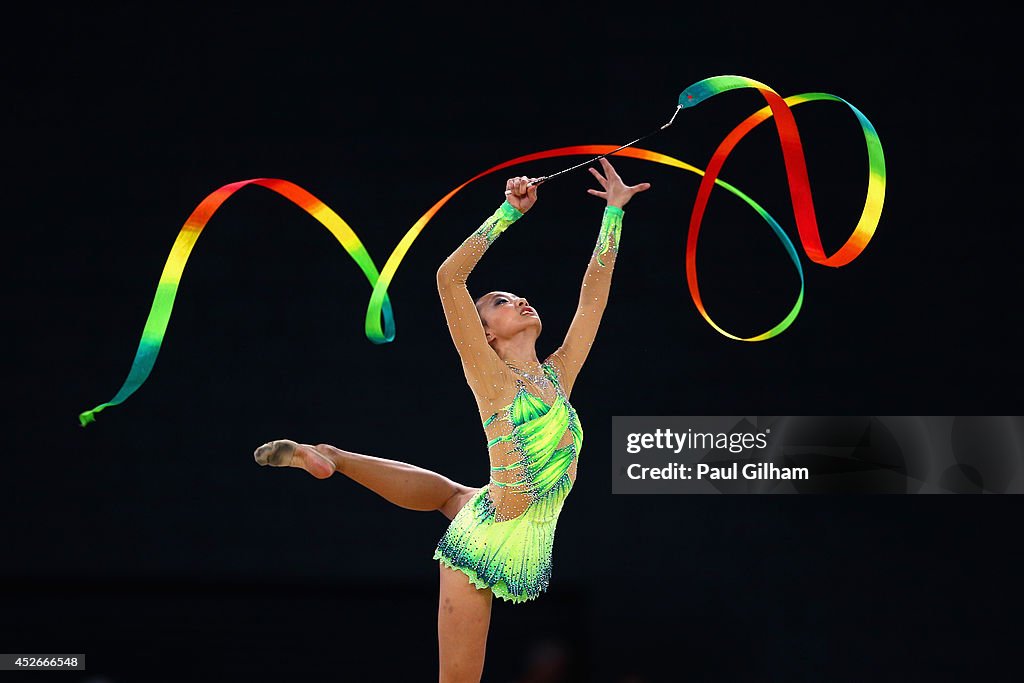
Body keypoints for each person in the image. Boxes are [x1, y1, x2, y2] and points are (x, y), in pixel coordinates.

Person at [253, 157, 650, 683]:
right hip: (487, 543)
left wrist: (614, 216)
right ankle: (332, 457)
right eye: (502, 303)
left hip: (504, 514)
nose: (520, 301)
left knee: (451, 497)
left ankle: (332, 456)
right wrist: (507, 213)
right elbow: (449, 277)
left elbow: (593, 297)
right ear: (485, 334)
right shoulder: (490, 376)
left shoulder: (557, 377)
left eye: (518, 296)